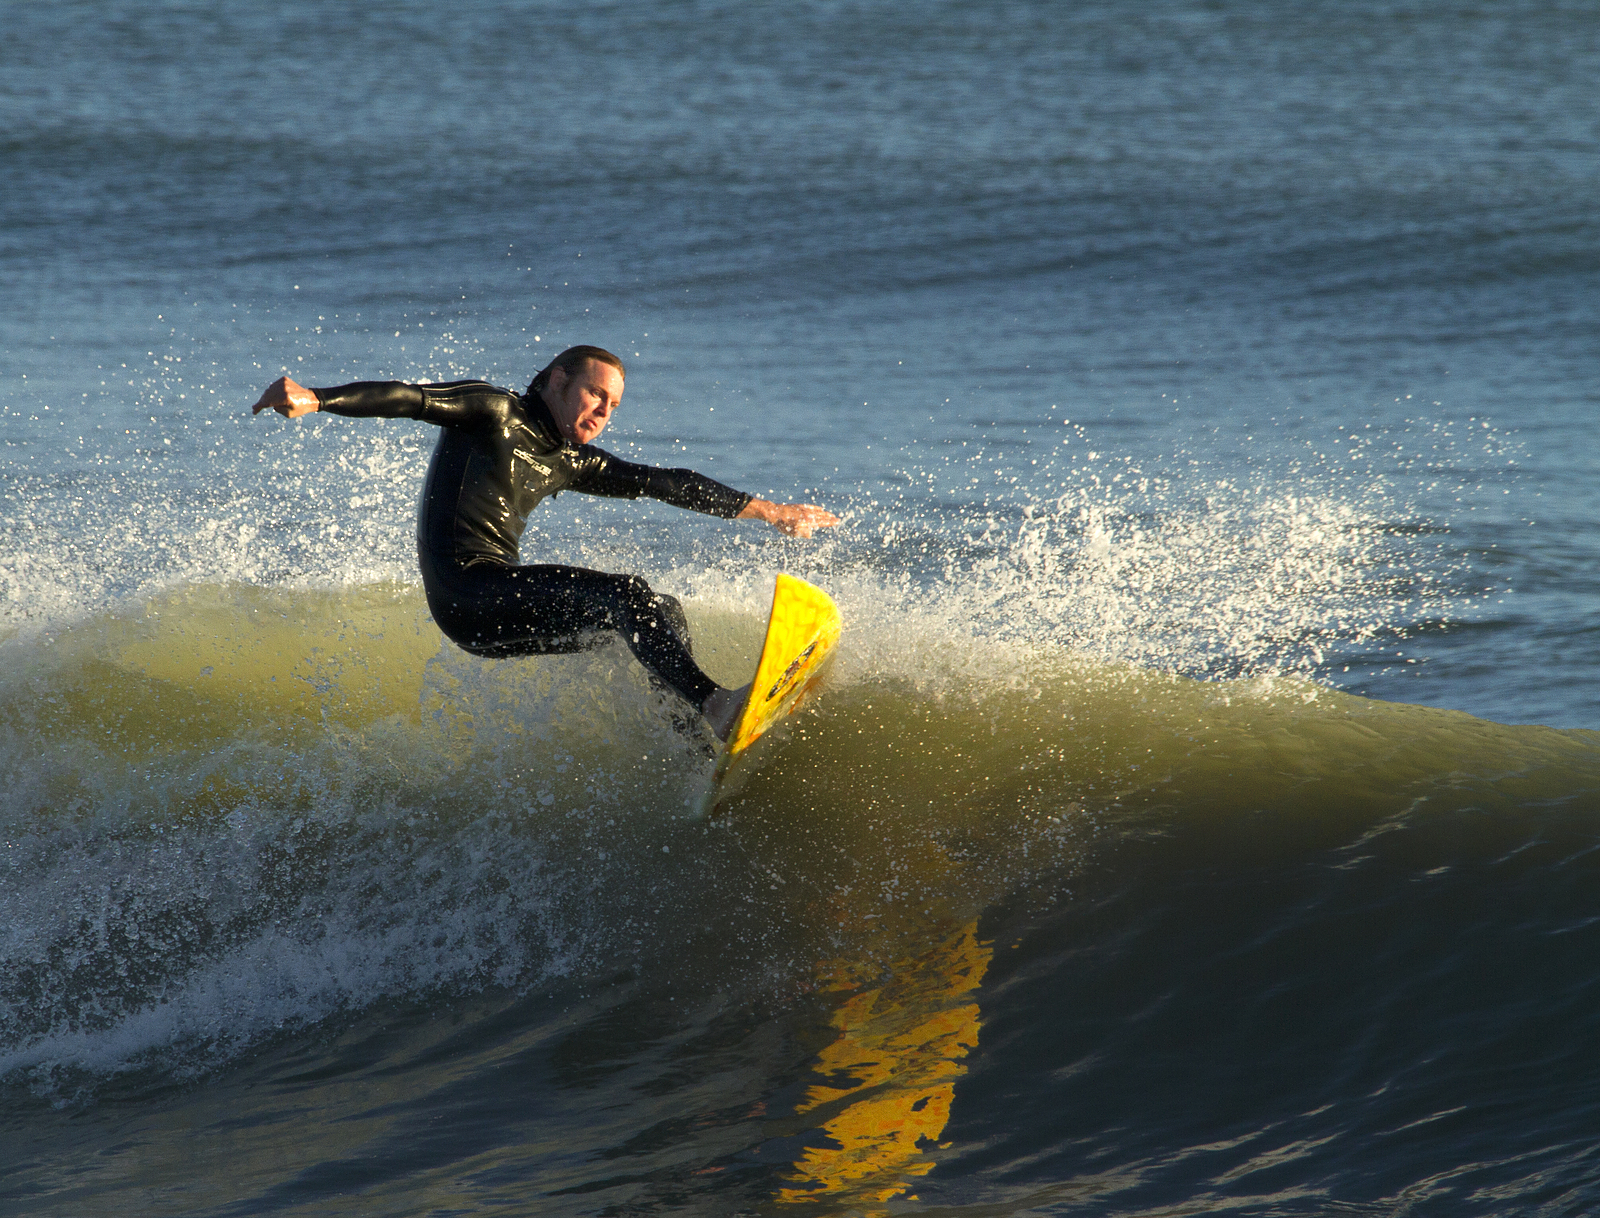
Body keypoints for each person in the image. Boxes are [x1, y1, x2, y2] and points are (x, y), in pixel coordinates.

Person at [252, 345, 838, 739]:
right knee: (627, 594)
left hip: (492, 614)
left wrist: (765, 510)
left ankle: (690, 744)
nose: (602, 413)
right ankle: (715, 706)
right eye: (594, 396)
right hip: (468, 590)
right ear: (558, 380)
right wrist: (319, 397)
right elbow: (410, 398)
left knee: (659, 614)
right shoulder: (493, 411)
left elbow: (660, 481)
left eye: (611, 408)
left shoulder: (569, 460)